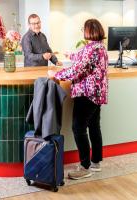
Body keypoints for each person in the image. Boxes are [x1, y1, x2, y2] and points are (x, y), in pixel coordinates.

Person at [48, 19, 108, 180]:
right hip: (97, 94)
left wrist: (57, 75)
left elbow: (78, 69)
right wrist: (69, 54)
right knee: (94, 126)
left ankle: (84, 166)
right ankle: (95, 162)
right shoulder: (100, 47)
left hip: (86, 94)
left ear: (89, 31)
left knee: (78, 128)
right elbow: (82, 57)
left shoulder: (92, 49)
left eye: (84, 28)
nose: (82, 31)